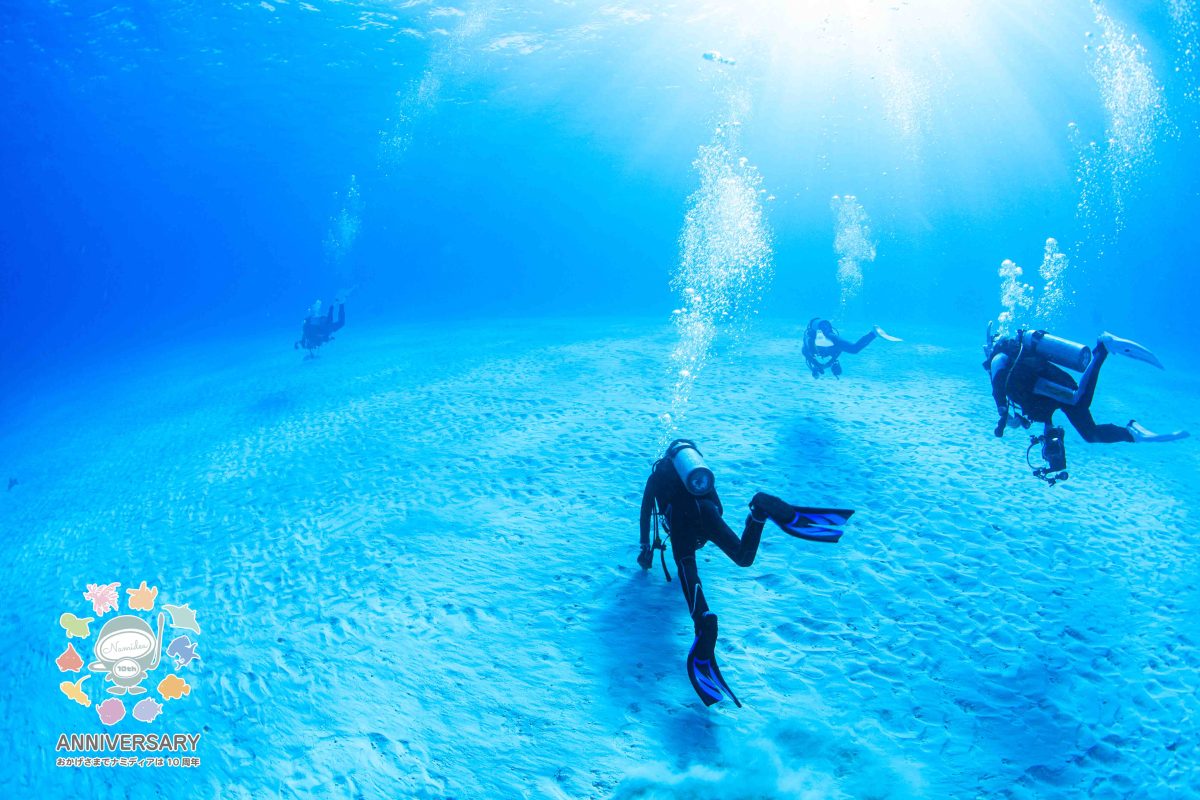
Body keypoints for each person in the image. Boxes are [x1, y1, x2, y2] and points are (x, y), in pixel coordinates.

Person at [637, 439, 853, 707]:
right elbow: (717, 503)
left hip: (680, 521)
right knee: (742, 556)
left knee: (687, 568)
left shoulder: (657, 476)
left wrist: (645, 547)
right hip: (706, 511)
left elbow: (646, 512)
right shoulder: (695, 472)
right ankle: (760, 511)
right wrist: (709, 522)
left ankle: (703, 620)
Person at [984, 327, 1188, 480]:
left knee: (1079, 401)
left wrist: (1002, 411)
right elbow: (1038, 412)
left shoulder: (999, 357)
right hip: (1045, 394)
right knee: (1090, 434)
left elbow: (998, 380)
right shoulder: (1008, 362)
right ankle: (1131, 432)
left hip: (1050, 385)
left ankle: (1102, 348)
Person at [802, 318, 901, 378]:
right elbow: (836, 352)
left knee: (854, 349)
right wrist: (825, 365)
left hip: (827, 336)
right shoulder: (819, 342)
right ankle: (873, 333)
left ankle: (873, 333)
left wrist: (821, 367)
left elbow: (811, 359)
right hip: (828, 336)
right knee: (854, 349)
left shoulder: (810, 345)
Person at [295, 293, 348, 357]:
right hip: (324, 327)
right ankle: (340, 304)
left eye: (312, 346)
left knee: (332, 323)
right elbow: (324, 338)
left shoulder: (308, 338)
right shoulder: (310, 341)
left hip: (323, 327)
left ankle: (336, 305)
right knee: (341, 323)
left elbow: (305, 337)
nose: (314, 347)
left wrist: (297, 344)